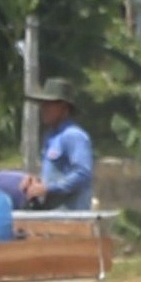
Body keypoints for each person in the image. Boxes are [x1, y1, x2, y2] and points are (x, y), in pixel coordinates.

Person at [23, 78, 95, 211]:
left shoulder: (74, 136)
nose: (43, 109)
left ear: (64, 108)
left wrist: (48, 188)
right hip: (52, 214)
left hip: (71, 216)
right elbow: (55, 174)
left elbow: (83, 174)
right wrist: (36, 182)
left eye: (49, 104)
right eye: (43, 104)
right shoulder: (50, 136)